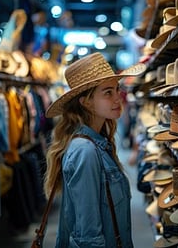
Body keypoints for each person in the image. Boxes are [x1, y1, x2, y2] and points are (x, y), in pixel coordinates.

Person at [43, 52, 146, 248]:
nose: (118, 98)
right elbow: (87, 235)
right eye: (108, 92)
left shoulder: (98, 143)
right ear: (86, 101)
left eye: (117, 89)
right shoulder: (85, 151)